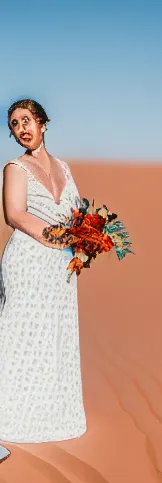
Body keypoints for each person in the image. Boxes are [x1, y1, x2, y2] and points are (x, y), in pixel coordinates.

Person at [0, 98, 86, 443]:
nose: (21, 129)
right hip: (28, 260)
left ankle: (51, 415)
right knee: (20, 335)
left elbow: (78, 211)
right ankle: (10, 415)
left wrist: (86, 238)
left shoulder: (64, 169)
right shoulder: (14, 168)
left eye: (26, 120)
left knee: (55, 338)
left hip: (61, 265)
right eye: (14, 125)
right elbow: (15, 214)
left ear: (43, 124)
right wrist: (57, 236)